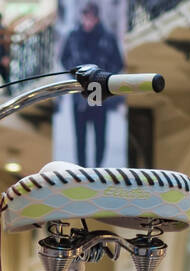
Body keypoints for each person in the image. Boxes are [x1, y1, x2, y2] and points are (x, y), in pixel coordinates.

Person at [59, 2, 124, 168]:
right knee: (80, 135)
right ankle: (82, 168)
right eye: (85, 18)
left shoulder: (107, 37)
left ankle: (97, 167)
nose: (87, 22)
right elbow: (64, 58)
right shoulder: (73, 36)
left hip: (99, 93)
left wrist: (105, 77)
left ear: (96, 18)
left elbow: (118, 62)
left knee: (99, 133)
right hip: (80, 92)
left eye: (90, 18)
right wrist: (75, 74)